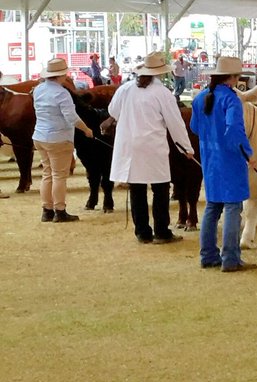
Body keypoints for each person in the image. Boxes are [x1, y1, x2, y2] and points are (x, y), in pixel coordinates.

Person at [108, 53, 195, 244]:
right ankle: (162, 231)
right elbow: (175, 123)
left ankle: (142, 232)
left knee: (137, 189)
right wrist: (186, 148)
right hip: (152, 146)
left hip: (129, 145)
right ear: (161, 72)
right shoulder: (162, 93)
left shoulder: (126, 89)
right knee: (160, 188)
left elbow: (112, 111)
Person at [191, 57, 256, 272]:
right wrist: (248, 153)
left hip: (210, 158)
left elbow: (195, 127)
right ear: (234, 78)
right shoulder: (231, 100)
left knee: (212, 206)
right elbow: (235, 130)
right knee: (232, 207)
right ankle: (230, 258)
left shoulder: (200, 98)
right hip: (230, 159)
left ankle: (208, 255)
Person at [33, 58, 94, 222]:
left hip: (40, 136)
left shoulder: (38, 89)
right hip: (58, 138)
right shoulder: (61, 93)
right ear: (62, 75)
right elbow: (72, 118)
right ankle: (60, 210)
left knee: (47, 174)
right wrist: (86, 130)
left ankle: (47, 210)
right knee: (59, 175)